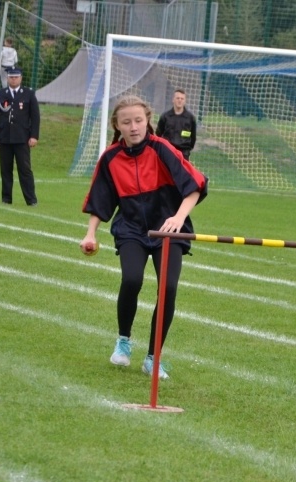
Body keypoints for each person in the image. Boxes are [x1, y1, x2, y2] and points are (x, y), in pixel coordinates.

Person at [80, 95, 208, 380]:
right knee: (132, 279)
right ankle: (123, 341)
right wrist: (90, 234)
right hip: (132, 229)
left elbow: (195, 185)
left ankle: (153, 357)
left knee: (168, 288)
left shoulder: (163, 149)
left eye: (138, 120)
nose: (134, 127)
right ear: (117, 125)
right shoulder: (110, 158)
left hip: (169, 230)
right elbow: (101, 200)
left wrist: (177, 218)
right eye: (127, 122)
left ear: (148, 120)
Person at [0, 68, 40, 206]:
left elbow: (35, 117)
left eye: (16, 77)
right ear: (8, 78)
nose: (14, 79)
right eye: (11, 77)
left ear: (21, 78)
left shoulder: (28, 94)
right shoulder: (1, 94)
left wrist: (34, 136)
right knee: (5, 169)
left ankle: (31, 200)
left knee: (25, 170)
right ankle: (6, 199)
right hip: (4, 137)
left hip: (22, 138)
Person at [155, 89, 197, 160]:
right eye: (177, 98)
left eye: (182, 98)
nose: (179, 100)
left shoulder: (190, 118)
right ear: (173, 100)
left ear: (185, 101)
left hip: (183, 153)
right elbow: (158, 134)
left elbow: (193, 137)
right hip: (167, 151)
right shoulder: (165, 116)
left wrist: (187, 150)